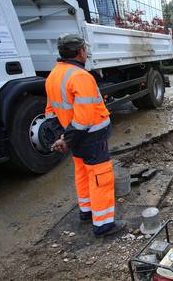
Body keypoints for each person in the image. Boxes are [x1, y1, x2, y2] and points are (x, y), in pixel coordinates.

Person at [45, 34, 126, 237]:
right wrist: (67, 139)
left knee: (82, 172)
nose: (86, 52)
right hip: (91, 137)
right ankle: (104, 224)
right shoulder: (80, 76)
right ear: (80, 51)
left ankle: (87, 210)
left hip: (75, 137)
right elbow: (85, 117)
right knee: (100, 177)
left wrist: (62, 137)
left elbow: (51, 112)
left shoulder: (54, 75)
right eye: (85, 49)